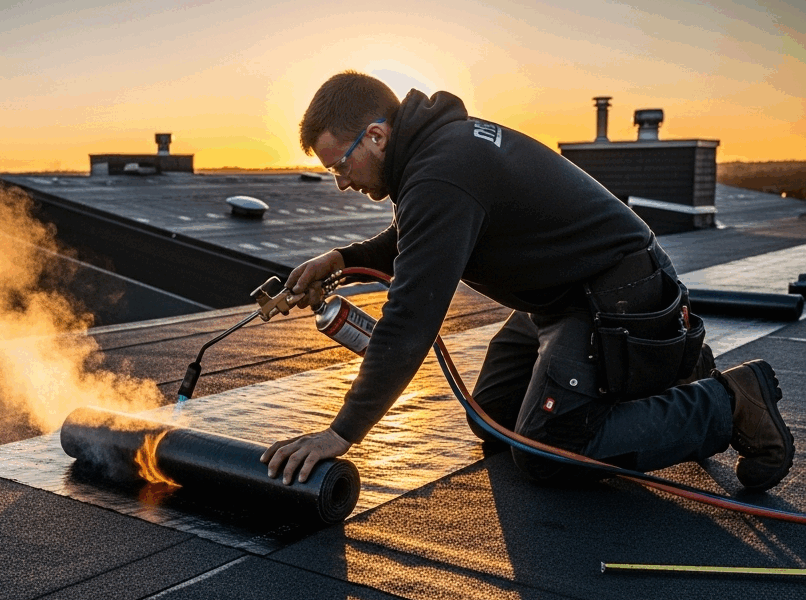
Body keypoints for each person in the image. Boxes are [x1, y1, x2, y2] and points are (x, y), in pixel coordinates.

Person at [260, 70, 795, 492]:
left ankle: (729, 403)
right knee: (493, 419)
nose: (341, 182)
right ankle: (667, 374)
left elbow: (408, 324)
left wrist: (342, 432)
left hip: (614, 296)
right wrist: (339, 260)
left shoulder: (440, 173)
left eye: (341, 165)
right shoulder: (440, 153)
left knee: (546, 450)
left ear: (375, 135)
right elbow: (414, 237)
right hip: (565, 299)